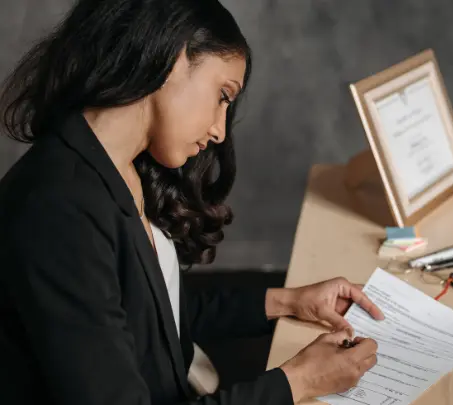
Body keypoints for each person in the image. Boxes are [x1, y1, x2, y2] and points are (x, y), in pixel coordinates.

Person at [0, 1, 383, 404]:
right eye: (222, 95)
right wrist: (298, 381)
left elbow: (152, 316)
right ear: (175, 57)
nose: (219, 130)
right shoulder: (58, 213)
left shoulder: (119, 165)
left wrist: (289, 301)